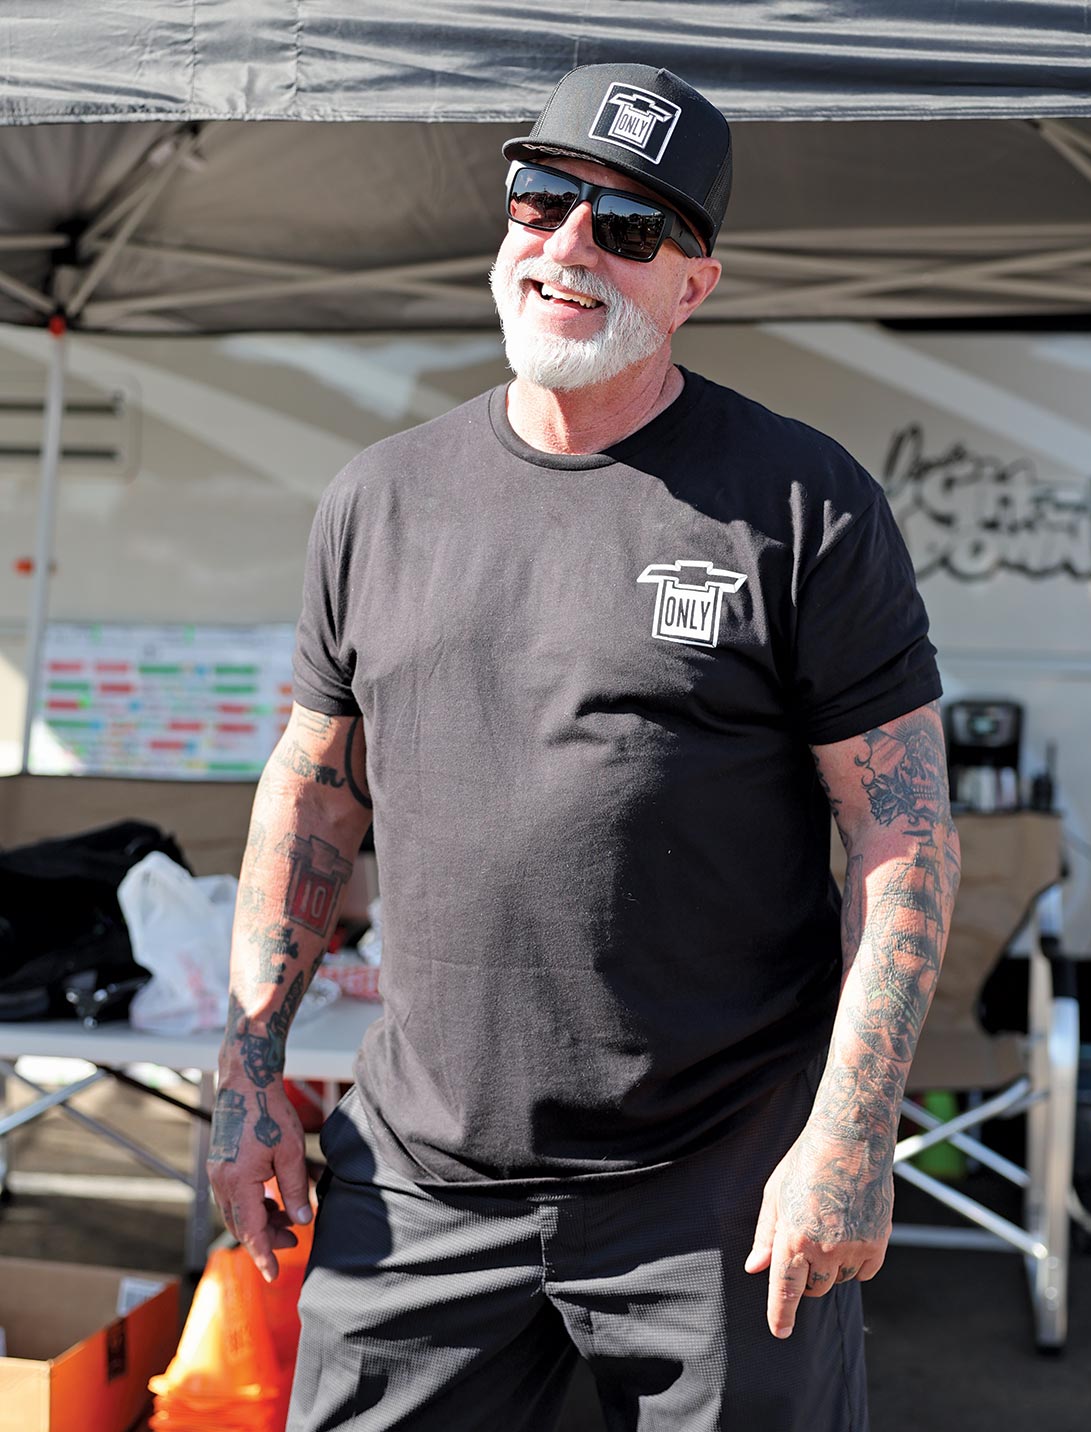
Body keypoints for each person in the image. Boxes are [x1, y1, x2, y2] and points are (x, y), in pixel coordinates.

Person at [208, 62, 960, 1432]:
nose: (565, 248)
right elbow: (313, 791)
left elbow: (902, 835)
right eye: (541, 201)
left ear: (695, 285)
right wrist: (249, 1067)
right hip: (421, 1184)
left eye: (626, 228)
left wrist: (852, 1131)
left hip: (716, 1190)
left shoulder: (803, 506)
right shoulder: (378, 500)